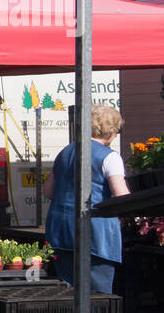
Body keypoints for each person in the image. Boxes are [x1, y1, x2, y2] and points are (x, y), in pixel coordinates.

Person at [43, 104, 130, 292]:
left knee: (65, 295)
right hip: (95, 236)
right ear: (110, 131)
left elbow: (48, 191)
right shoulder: (110, 157)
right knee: (96, 298)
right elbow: (122, 197)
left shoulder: (65, 152)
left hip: (60, 233)